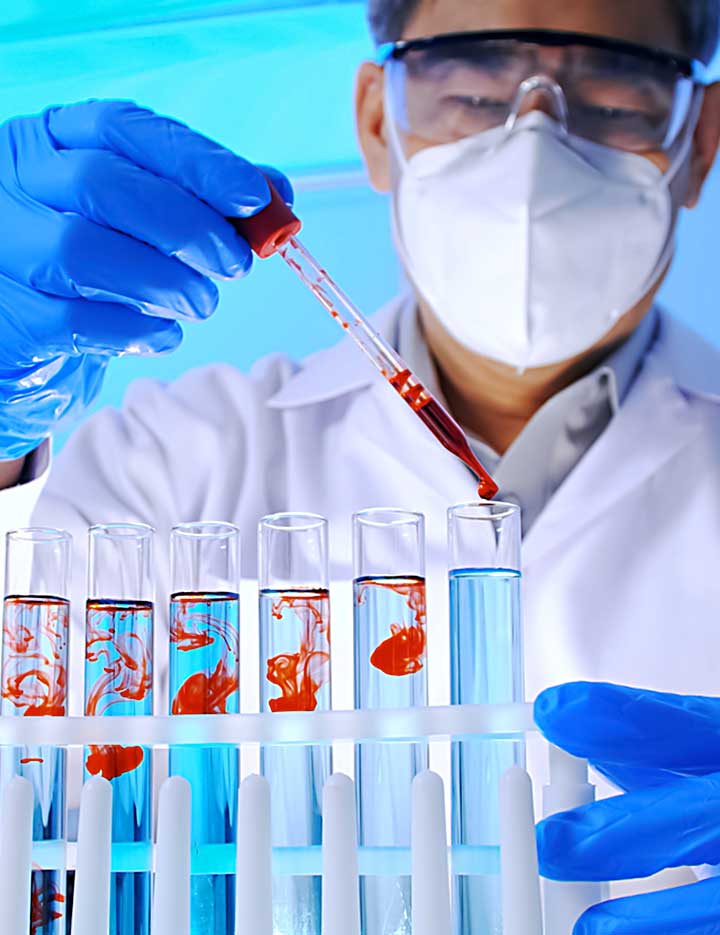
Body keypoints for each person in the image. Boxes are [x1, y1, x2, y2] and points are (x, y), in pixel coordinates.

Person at [0, 0, 719, 927]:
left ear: (700, 139)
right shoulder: (167, 463)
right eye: (470, 86)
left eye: (615, 93)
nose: (535, 144)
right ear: (379, 120)